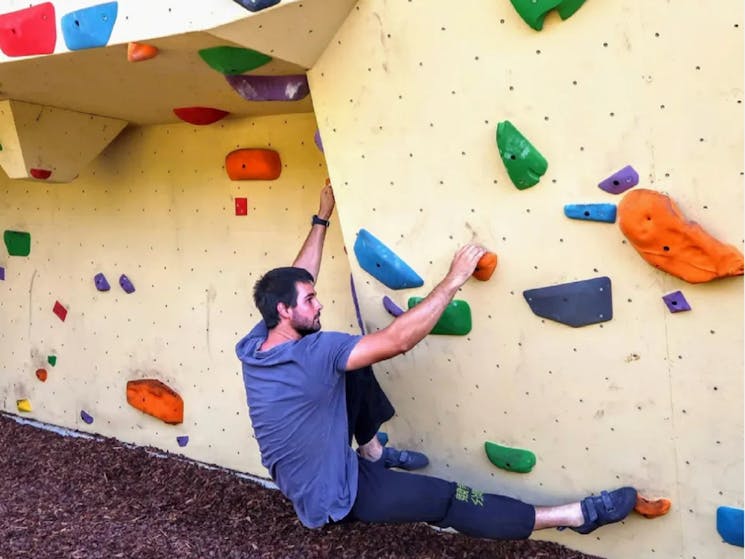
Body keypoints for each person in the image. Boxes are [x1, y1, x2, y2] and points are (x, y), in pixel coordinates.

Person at [236, 181, 639, 539]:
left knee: (355, 364)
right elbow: (396, 340)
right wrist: (453, 280)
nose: (319, 303)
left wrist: (321, 218)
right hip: (335, 494)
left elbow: (295, 278)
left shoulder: (258, 345)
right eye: (311, 301)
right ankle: (575, 515)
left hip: (305, 477)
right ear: (287, 312)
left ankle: (373, 452)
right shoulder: (314, 353)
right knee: (451, 499)